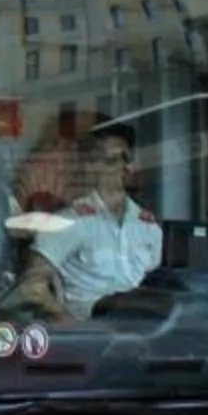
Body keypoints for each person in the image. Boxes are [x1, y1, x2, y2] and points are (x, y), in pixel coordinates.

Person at [28, 123, 163, 319]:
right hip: (91, 329)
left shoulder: (147, 226)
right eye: (112, 160)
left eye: (127, 159)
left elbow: (155, 281)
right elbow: (31, 287)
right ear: (90, 167)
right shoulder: (69, 222)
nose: (125, 167)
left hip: (138, 330)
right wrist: (71, 328)